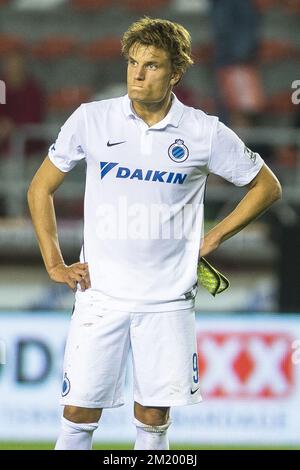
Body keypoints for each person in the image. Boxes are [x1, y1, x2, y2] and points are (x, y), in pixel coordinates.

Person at [27, 17, 282, 451]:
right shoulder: (92, 119)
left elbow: (267, 186)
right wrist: (54, 261)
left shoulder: (203, 131)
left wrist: (214, 237)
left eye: (151, 65)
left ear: (175, 73)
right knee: (77, 414)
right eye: (132, 63)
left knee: (153, 417)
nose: (137, 74)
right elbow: (40, 187)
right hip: (101, 294)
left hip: (167, 298)